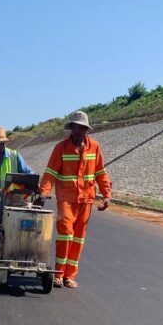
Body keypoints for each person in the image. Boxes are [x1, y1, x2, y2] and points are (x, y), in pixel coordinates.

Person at [38, 111, 111, 288]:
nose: (77, 131)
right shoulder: (61, 148)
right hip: (66, 198)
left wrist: (106, 194)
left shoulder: (94, 147)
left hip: (86, 199)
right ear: (71, 128)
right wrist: (43, 192)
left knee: (78, 238)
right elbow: (51, 173)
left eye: (81, 128)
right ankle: (58, 273)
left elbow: (100, 172)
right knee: (65, 232)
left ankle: (69, 276)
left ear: (86, 130)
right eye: (75, 127)